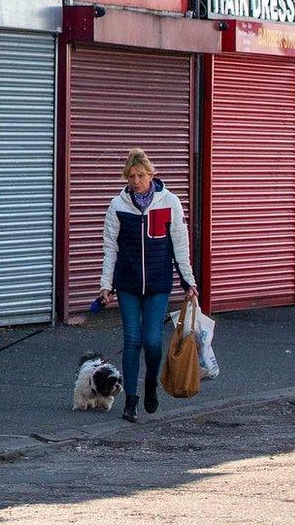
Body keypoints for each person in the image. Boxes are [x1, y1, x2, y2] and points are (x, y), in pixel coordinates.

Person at [97, 148, 196, 423]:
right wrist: (105, 285)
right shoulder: (118, 206)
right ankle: (130, 400)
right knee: (132, 341)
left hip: (157, 283)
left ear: (152, 175)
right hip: (127, 284)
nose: (136, 181)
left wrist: (188, 281)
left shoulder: (169, 202)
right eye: (131, 176)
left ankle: (150, 382)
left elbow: (180, 244)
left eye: (141, 175)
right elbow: (110, 249)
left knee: (152, 342)